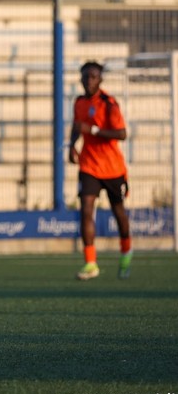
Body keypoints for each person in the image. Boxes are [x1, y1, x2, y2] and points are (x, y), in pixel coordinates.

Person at [69, 60, 132, 281]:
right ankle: (90, 263)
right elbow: (77, 126)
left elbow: (122, 134)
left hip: (113, 168)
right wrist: (71, 146)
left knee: (119, 214)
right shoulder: (79, 102)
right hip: (89, 166)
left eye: (93, 76)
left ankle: (126, 252)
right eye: (85, 77)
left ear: (100, 79)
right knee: (86, 208)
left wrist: (93, 130)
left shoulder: (109, 103)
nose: (89, 81)